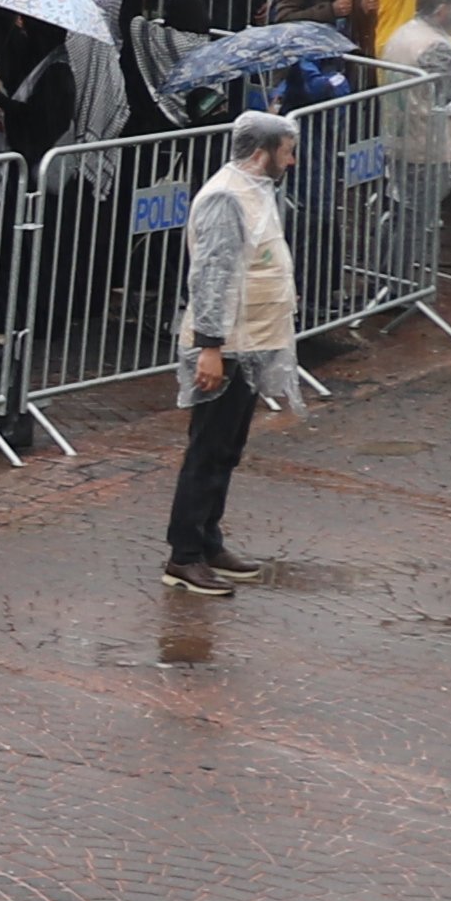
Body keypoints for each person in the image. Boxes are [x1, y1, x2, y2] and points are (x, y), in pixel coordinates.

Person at [164, 109, 304, 599]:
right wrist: (210, 347)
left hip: (252, 342)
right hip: (226, 347)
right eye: (286, 151)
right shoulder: (227, 197)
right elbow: (212, 275)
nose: (291, 161)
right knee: (207, 449)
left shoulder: (256, 193)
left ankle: (207, 540)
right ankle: (184, 554)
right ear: (261, 152)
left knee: (226, 449)